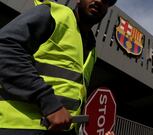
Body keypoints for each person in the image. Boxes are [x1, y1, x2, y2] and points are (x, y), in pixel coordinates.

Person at [0, 0, 117, 135]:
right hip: (18, 127)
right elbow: (4, 47)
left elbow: (72, 99)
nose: (99, 1)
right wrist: (49, 103)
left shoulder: (92, 50)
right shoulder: (55, 14)